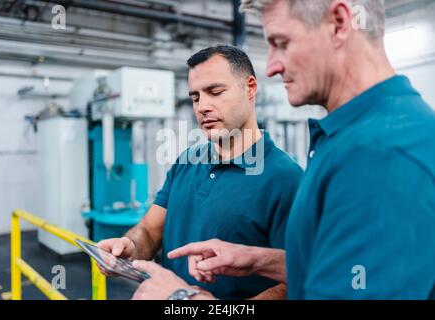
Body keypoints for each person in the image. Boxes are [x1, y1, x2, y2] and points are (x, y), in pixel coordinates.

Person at [131, 0, 435, 300]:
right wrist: (259, 259)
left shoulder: (385, 153)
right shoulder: (345, 138)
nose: (272, 66)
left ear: (339, 23)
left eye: (282, 42)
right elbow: (348, 272)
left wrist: (182, 300)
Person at [97, 45, 303, 300]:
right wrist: (129, 247)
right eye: (195, 98)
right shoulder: (187, 161)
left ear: (250, 88)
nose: (202, 106)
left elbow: (294, 283)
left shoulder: (287, 179)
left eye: (215, 92)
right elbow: (150, 231)